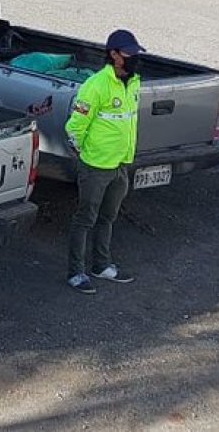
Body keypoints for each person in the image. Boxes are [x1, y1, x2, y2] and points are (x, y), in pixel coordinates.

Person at [64, 29, 145, 295]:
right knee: (85, 218)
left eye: (135, 54)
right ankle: (76, 272)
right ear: (114, 55)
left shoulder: (133, 82)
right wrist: (82, 155)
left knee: (108, 217)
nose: (134, 59)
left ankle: (101, 265)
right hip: (96, 165)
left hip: (120, 164)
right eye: (129, 54)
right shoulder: (96, 85)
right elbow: (76, 125)